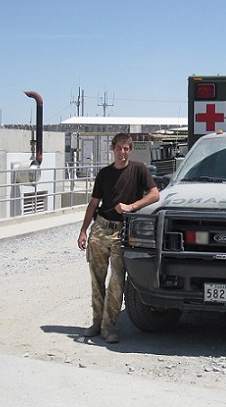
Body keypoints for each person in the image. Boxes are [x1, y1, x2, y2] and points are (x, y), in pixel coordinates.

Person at [77, 133, 160, 343]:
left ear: (130, 151)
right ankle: (96, 322)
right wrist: (83, 231)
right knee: (97, 279)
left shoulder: (139, 170)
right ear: (112, 149)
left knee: (116, 281)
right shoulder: (104, 174)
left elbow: (154, 194)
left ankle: (108, 327)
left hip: (122, 232)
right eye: (119, 148)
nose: (122, 152)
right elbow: (94, 203)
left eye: (126, 149)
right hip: (100, 229)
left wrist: (132, 207)